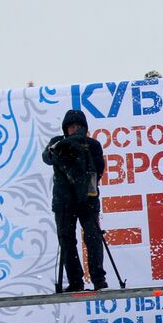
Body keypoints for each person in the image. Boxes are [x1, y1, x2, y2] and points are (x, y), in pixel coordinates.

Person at [42, 108, 107, 292]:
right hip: (64, 202)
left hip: (87, 200)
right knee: (67, 242)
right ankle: (75, 281)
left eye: (78, 126)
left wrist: (86, 191)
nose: (74, 129)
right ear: (65, 128)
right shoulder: (57, 143)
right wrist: (62, 148)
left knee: (93, 238)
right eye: (71, 126)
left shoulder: (92, 145)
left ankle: (98, 279)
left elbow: (98, 169)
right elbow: (46, 158)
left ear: (84, 127)